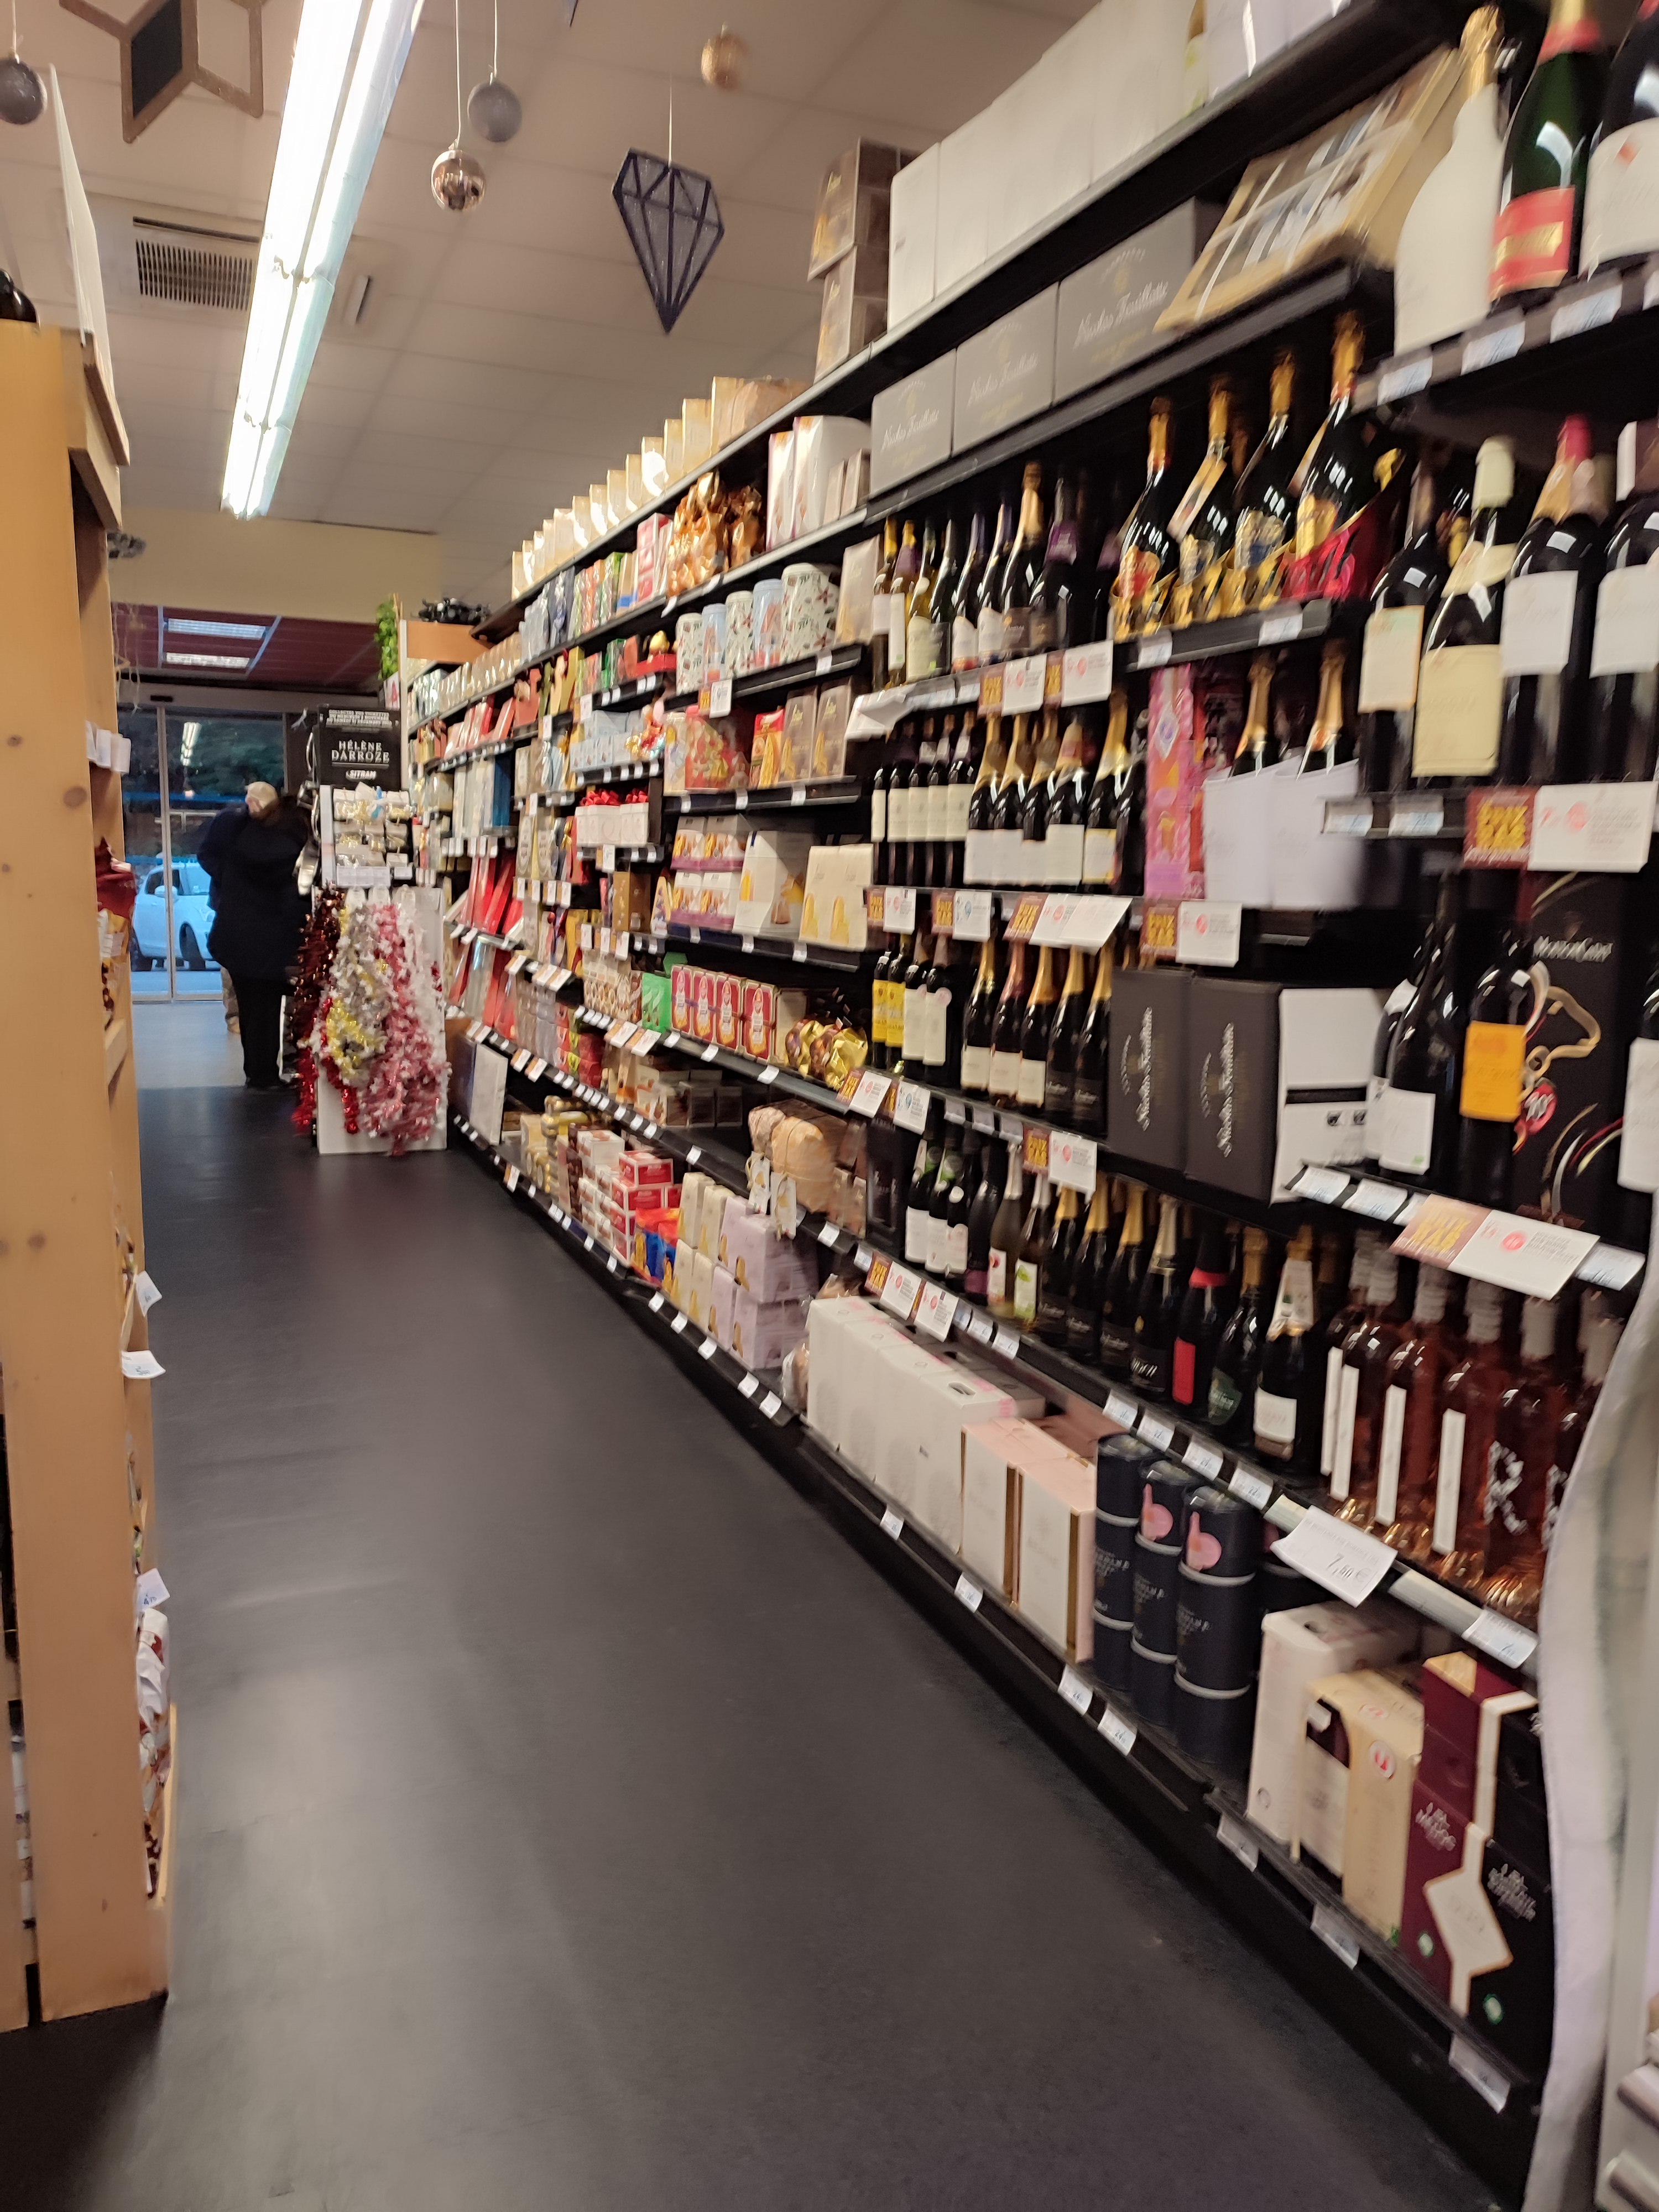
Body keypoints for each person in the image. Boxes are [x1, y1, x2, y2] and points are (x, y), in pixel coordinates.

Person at [197, 781, 309, 1089]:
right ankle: (267, 1074)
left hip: (236, 936)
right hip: (273, 937)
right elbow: (294, 899)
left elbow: (207, 855)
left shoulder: (236, 837)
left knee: (250, 1007)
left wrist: (226, 882)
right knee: (269, 1008)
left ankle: (257, 1073)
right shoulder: (292, 842)